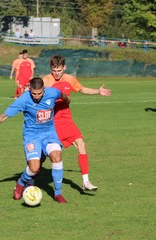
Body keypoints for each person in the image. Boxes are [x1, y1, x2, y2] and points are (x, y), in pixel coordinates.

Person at [0, 78, 70, 203]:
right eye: (34, 94)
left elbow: (62, 95)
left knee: (57, 156)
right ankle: (21, 183)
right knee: (34, 168)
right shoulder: (23, 100)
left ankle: (58, 193)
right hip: (31, 136)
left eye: (40, 93)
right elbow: (3, 116)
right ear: (30, 90)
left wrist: (66, 101)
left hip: (49, 133)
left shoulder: (52, 92)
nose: (37, 97)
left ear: (44, 90)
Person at [42, 55, 111, 191]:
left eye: (59, 70)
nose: (57, 73)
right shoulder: (46, 81)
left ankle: (85, 181)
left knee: (81, 143)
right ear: (51, 68)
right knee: (42, 157)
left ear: (64, 68)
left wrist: (98, 91)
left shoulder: (70, 79)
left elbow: (82, 89)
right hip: (51, 122)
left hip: (67, 120)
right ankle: (29, 177)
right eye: (54, 70)